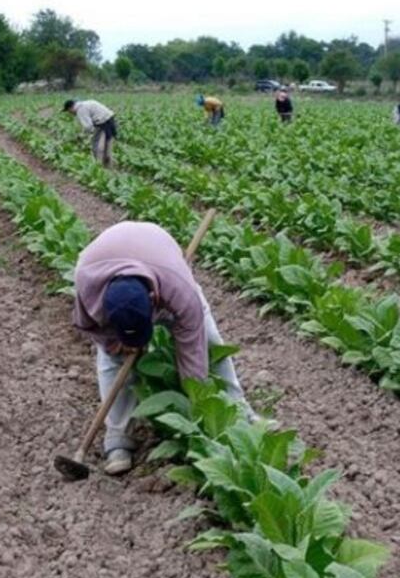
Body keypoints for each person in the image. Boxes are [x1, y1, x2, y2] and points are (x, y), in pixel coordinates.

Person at [73, 221, 257, 474]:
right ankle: (117, 438)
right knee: (111, 360)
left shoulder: (177, 287)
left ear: (153, 301)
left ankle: (240, 411)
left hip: (159, 252)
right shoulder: (87, 285)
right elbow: (89, 327)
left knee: (210, 341)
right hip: (106, 261)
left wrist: (198, 404)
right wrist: (114, 343)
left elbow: (191, 349)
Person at [63, 99, 117, 167]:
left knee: (97, 146)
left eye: (68, 111)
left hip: (104, 123)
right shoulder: (84, 104)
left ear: (71, 108)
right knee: (107, 144)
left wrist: (82, 136)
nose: (69, 113)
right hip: (110, 119)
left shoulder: (80, 110)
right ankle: (107, 165)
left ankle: (99, 166)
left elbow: (88, 126)